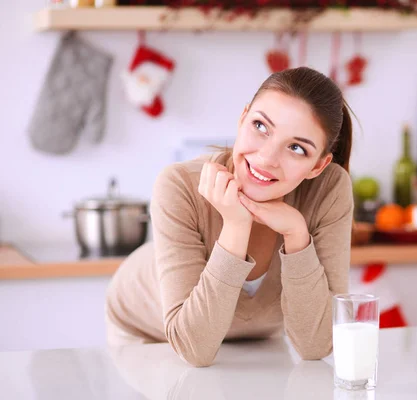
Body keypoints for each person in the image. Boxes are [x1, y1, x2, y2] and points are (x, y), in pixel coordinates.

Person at [105, 66, 355, 367]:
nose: (266, 158)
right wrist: (236, 225)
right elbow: (194, 349)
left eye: (297, 148)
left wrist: (297, 236)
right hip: (150, 334)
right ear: (243, 118)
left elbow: (316, 345)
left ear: (318, 165)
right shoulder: (179, 185)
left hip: (254, 337)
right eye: (261, 126)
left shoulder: (329, 190)